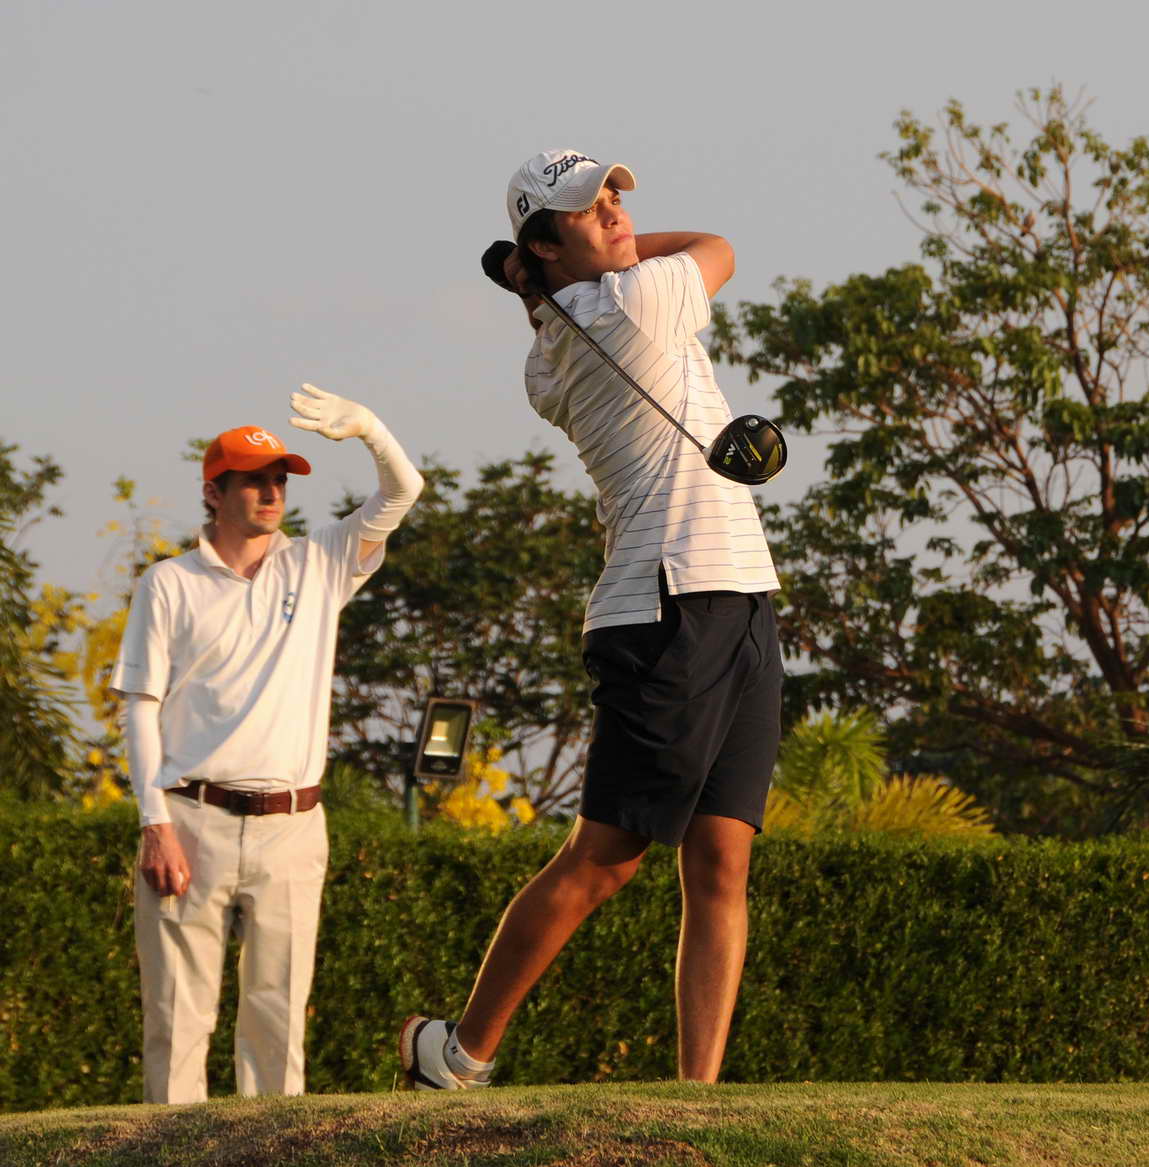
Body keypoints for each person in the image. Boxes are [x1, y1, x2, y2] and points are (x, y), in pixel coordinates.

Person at [399, 149, 782, 1090]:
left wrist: (548, 270)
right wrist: (580, 266)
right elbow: (719, 245)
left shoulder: (563, 332)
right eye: (588, 207)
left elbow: (635, 269)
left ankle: (696, 1094)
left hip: (736, 592)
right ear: (543, 244)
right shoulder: (632, 302)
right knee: (606, 855)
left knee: (722, 857)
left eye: (614, 196)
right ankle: (461, 1055)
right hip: (665, 606)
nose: (615, 212)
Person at [112, 386, 423, 1104]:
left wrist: (370, 429)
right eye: (253, 480)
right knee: (177, 1021)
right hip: (189, 818)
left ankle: (274, 1152)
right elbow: (139, 708)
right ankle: (169, 1154)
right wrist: (154, 824)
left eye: (280, 478)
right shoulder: (168, 583)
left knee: (278, 1022)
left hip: (294, 823)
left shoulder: (320, 561)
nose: (272, 492)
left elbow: (403, 490)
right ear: (213, 492)